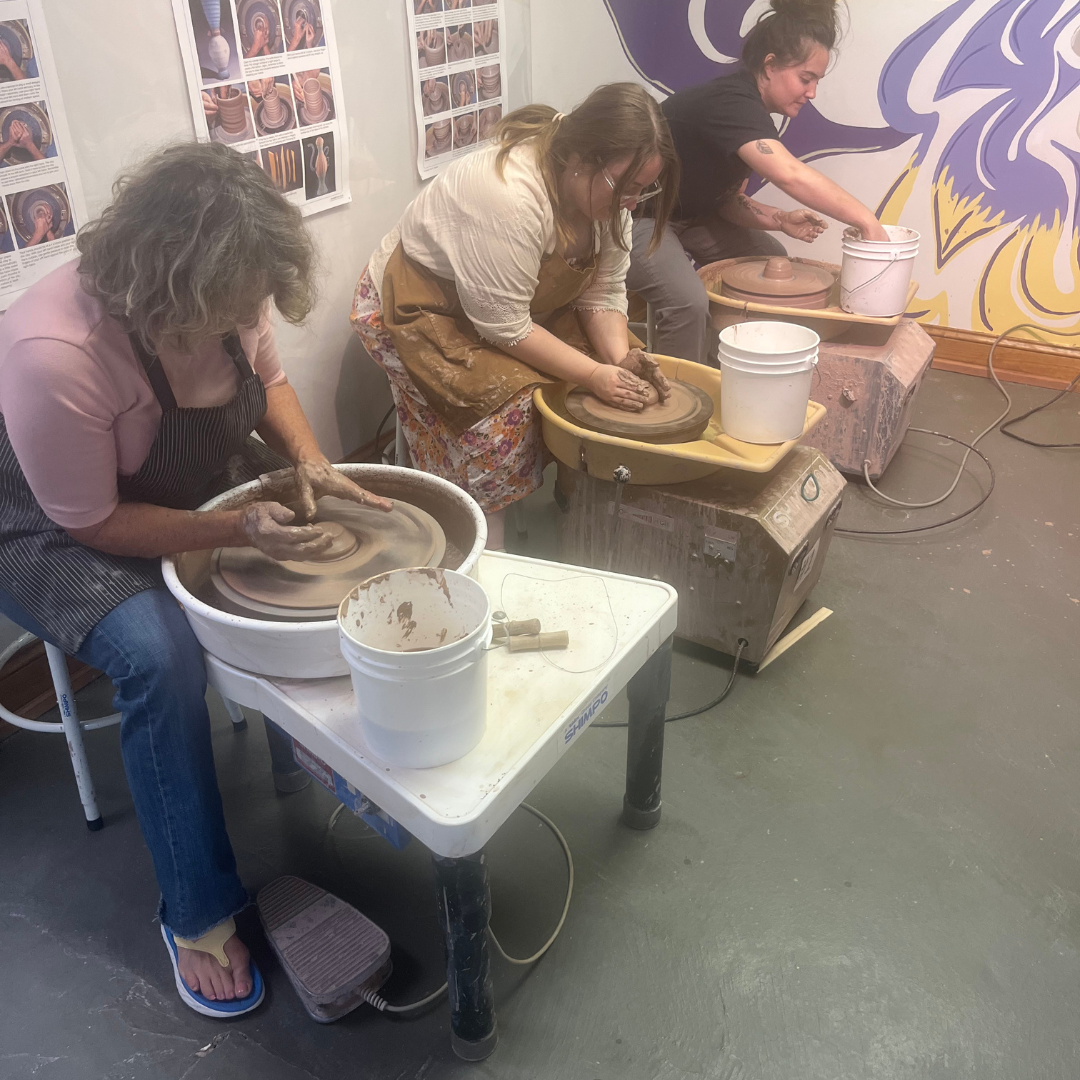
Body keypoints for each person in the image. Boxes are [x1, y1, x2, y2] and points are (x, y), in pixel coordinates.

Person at [0, 143, 389, 1018]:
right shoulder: (53, 351)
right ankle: (196, 911)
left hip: (174, 480)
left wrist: (311, 462)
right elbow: (91, 520)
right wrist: (236, 528)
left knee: (336, 548)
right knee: (161, 654)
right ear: (170, 287)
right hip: (46, 520)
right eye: (236, 304)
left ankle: (332, 761)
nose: (250, 315)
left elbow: (270, 379)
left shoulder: (230, 287)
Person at [351, 83, 680, 550]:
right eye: (627, 189)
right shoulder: (508, 195)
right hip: (416, 308)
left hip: (506, 307)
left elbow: (603, 292)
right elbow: (503, 326)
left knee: (612, 387)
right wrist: (593, 374)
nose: (633, 202)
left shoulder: (607, 198)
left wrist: (617, 363)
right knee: (502, 417)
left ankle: (578, 515)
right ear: (580, 161)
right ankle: (487, 551)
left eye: (645, 189)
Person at [627, 0, 890, 367]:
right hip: (641, 217)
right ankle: (675, 400)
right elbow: (790, 174)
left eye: (816, 81)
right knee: (686, 301)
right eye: (806, 78)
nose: (812, 92)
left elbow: (728, 203)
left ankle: (733, 369)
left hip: (691, 218)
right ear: (769, 65)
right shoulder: (731, 102)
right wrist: (867, 222)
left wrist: (779, 220)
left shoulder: (753, 113)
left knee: (773, 262)